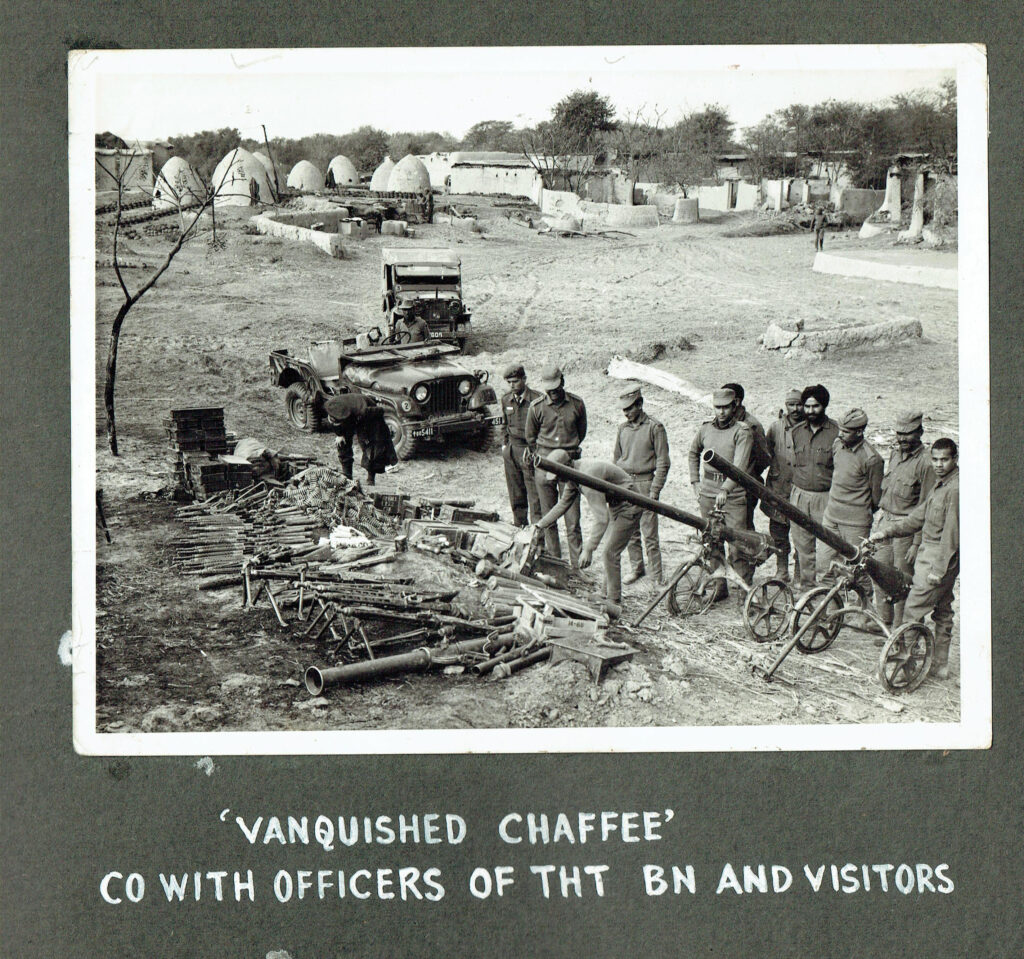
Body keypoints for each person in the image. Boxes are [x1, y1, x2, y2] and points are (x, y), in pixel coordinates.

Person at [868, 438, 960, 679]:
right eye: (936, 459)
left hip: (939, 560)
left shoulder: (955, 490)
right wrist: (886, 532)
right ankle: (939, 665)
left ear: (955, 459)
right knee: (943, 610)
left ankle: (904, 668)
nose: (939, 464)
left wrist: (938, 572)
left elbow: (951, 538)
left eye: (945, 459)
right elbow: (916, 519)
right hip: (927, 556)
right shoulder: (941, 485)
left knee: (911, 611)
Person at [533, 451, 642, 607]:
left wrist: (588, 549)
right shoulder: (574, 476)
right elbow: (563, 504)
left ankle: (614, 600)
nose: (558, 480)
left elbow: (601, 519)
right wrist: (540, 525)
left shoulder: (587, 477)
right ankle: (606, 593)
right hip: (617, 505)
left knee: (610, 552)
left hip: (630, 506)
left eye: (558, 475)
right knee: (609, 551)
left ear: (567, 466)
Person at [687, 387, 754, 597]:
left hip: (732, 495)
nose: (722, 412)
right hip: (707, 492)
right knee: (711, 541)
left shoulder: (742, 431)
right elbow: (692, 452)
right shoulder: (706, 429)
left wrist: (726, 489)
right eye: (718, 407)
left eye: (726, 407)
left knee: (737, 544)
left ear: (734, 406)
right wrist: (695, 481)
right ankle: (719, 587)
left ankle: (745, 591)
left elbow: (739, 466)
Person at [872, 411, 936, 631]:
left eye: (908, 434)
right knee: (879, 572)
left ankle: (901, 631)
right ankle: (884, 624)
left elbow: (926, 507)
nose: (902, 438)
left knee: (901, 582)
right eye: (899, 433)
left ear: (920, 432)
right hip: (886, 523)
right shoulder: (895, 454)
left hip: (907, 530)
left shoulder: (927, 463)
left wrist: (917, 543)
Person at [525, 363, 587, 565]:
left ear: (563, 382)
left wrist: (566, 452)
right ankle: (555, 561)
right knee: (548, 516)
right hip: (544, 465)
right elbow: (530, 438)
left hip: (569, 466)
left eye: (556, 389)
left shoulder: (577, 404)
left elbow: (581, 432)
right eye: (548, 390)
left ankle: (577, 565)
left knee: (573, 519)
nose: (553, 393)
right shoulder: (537, 408)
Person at [817, 408, 884, 592]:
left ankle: (867, 617)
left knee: (859, 571)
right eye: (841, 429)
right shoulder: (837, 445)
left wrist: (857, 510)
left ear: (859, 432)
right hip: (831, 519)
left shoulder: (872, 459)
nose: (840, 434)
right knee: (824, 567)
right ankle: (830, 613)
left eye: (846, 431)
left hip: (855, 524)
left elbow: (876, 498)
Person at [612, 384, 670, 585]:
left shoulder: (655, 427)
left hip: (646, 483)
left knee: (650, 534)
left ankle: (656, 577)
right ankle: (637, 568)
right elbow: (616, 459)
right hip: (626, 482)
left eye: (630, 408)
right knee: (630, 530)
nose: (626, 413)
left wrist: (655, 489)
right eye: (624, 409)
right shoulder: (622, 429)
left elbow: (663, 461)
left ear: (640, 404)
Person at [786, 384, 840, 586]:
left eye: (815, 406)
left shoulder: (836, 432)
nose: (810, 411)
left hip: (826, 497)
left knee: (827, 548)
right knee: (802, 545)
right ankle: (808, 590)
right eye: (806, 406)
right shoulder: (796, 431)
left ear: (824, 406)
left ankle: (828, 593)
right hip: (799, 496)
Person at [761, 389, 805, 582]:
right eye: (791, 405)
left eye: (799, 404)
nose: (795, 409)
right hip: (778, 489)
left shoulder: (809, 428)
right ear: (785, 406)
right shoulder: (775, 428)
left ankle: (800, 572)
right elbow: (765, 454)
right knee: (778, 531)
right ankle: (781, 570)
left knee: (801, 535)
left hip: (801, 491)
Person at [323, 393, 399, 487]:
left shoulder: (367, 411)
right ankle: (347, 476)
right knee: (342, 443)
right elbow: (336, 425)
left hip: (368, 417)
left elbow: (382, 411)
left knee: (370, 448)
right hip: (350, 414)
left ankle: (371, 478)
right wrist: (340, 434)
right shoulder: (332, 407)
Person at [722, 382, 770, 531]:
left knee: (743, 530)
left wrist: (747, 472)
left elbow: (764, 458)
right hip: (724, 485)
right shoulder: (723, 422)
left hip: (745, 486)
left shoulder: (752, 425)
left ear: (736, 401)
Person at [499, 363, 542, 527]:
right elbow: (504, 424)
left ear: (524, 379)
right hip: (511, 450)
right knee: (515, 491)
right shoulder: (506, 399)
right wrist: (505, 446)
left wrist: (536, 451)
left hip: (529, 450)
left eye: (515, 381)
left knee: (534, 493)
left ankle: (537, 532)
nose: (512, 385)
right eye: (509, 382)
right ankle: (520, 526)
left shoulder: (537, 400)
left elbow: (543, 427)